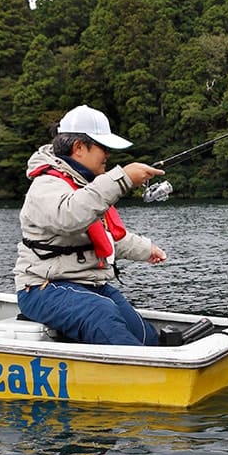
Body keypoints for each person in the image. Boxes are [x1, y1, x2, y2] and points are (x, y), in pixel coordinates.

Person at [13, 104, 166, 346]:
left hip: (88, 285)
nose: (108, 155)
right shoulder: (45, 186)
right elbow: (69, 216)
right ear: (79, 148)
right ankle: (141, 368)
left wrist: (147, 250)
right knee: (101, 312)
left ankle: (158, 358)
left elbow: (105, 237)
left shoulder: (86, 187)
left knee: (143, 332)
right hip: (42, 289)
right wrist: (123, 179)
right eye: (104, 147)